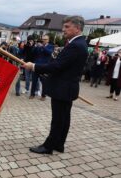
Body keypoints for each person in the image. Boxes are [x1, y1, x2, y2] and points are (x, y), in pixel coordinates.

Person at [22, 16, 88, 154]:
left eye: (67, 27)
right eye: (64, 26)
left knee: (58, 119)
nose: (63, 30)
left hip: (63, 88)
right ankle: (59, 144)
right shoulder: (79, 43)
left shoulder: (76, 45)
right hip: (67, 88)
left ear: (77, 28)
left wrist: (33, 66)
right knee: (64, 118)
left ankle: (48, 146)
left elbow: (57, 66)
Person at [29, 35, 54, 100]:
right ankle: (32, 94)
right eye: (43, 39)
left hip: (44, 67)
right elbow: (32, 53)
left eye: (45, 39)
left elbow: (49, 53)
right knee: (34, 81)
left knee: (44, 82)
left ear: (48, 40)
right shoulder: (38, 46)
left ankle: (43, 95)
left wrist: (42, 47)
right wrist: (34, 46)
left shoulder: (51, 46)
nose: (43, 40)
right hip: (36, 66)